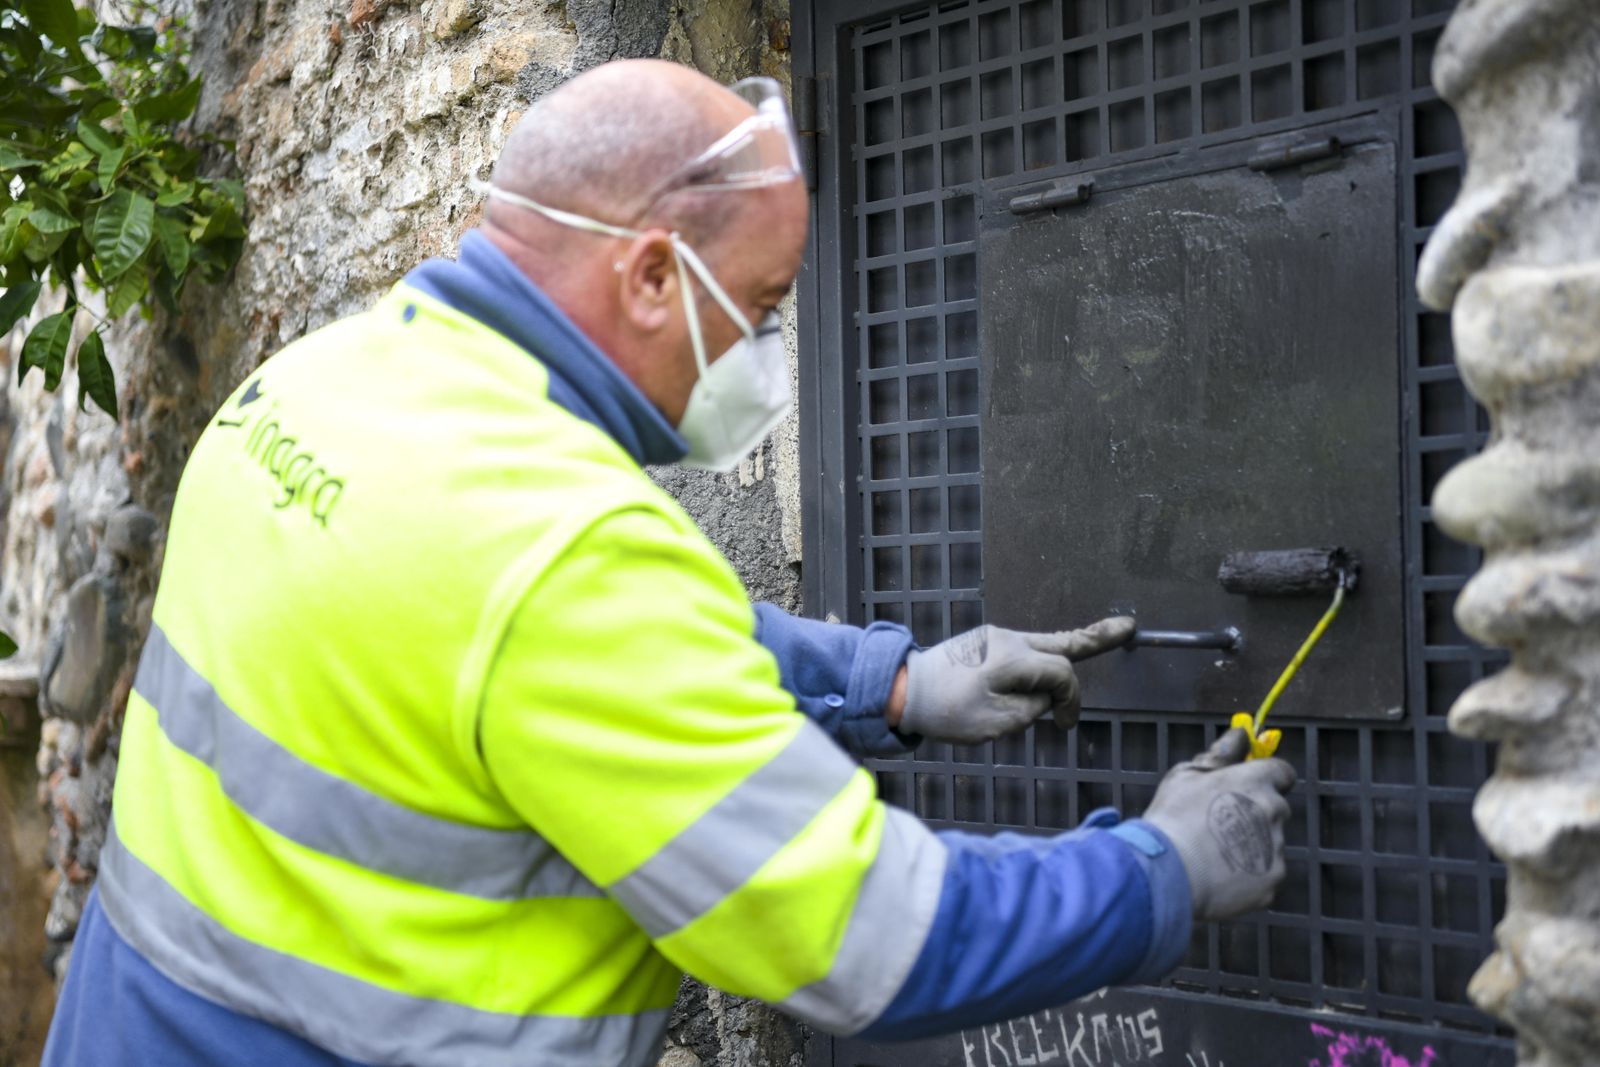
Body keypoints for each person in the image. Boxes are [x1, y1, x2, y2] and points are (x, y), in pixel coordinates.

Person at [42, 59, 1294, 1066]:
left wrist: (887, 685)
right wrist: (1158, 871)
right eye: (757, 311)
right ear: (648, 273)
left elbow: (493, 643)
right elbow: (868, 938)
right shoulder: (561, 546)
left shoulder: (316, 384)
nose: (760, 355)